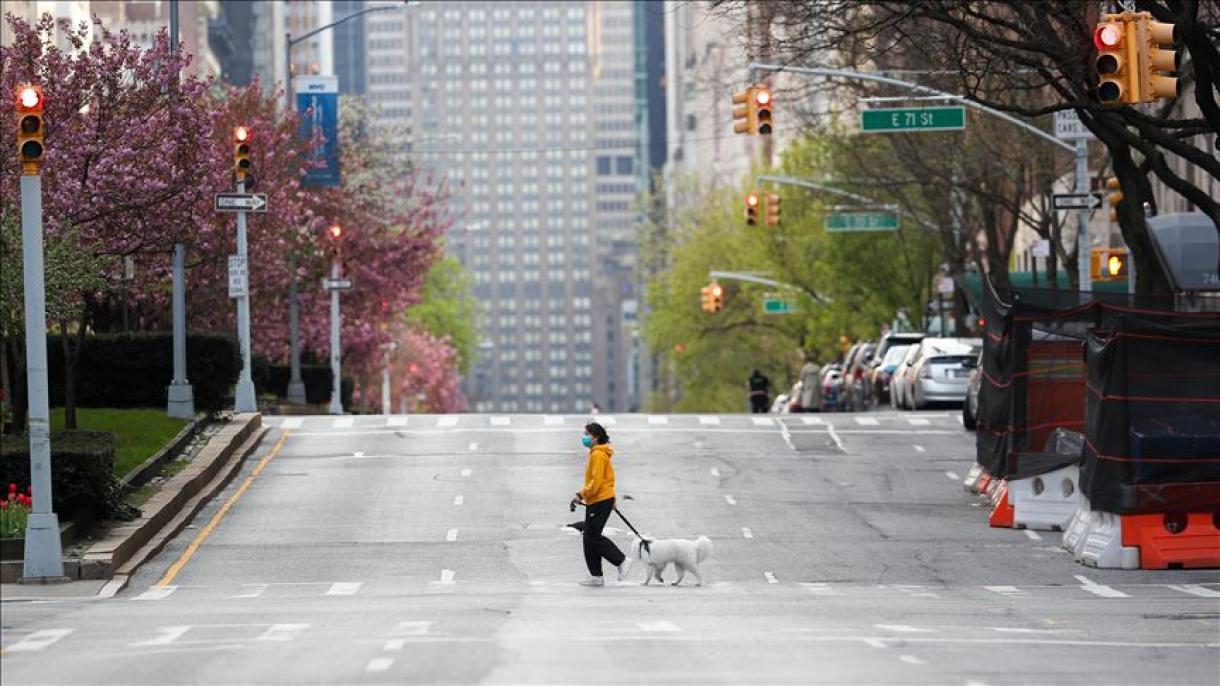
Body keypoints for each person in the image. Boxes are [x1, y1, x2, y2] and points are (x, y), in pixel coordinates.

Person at [569, 421, 629, 586]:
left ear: (596, 437)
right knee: (588, 537)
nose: (584, 437)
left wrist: (581, 495)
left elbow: (596, 482)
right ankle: (596, 576)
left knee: (592, 537)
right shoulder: (596, 453)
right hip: (599, 499)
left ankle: (621, 561)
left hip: (600, 500)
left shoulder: (598, 455)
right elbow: (606, 479)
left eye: (587, 434)